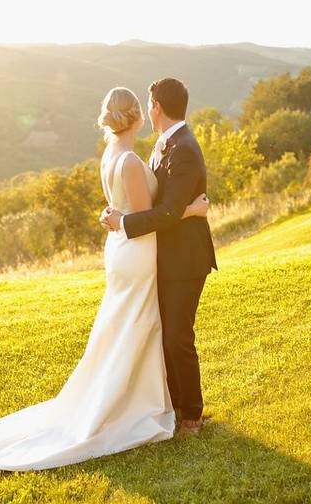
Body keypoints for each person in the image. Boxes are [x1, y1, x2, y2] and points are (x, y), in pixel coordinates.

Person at [0, 86, 209, 471]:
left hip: (130, 250)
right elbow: (155, 215)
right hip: (136, 250)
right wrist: (188, 210)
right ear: (139, 115)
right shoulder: (135, 159)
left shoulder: (117, 154)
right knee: (141, 327)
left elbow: (146, 211)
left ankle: (167, 405)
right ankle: (151, 406)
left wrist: (133, 217)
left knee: (138, 327)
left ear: (151, 110)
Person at [100, 77, 217, 435]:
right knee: (164, 333)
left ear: (157, 108)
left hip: (186, 259)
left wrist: (122, 221)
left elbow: (166, 212)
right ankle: (174, 405)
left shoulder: (183, 149)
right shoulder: (162, 145)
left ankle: (192, 415)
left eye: (151, 104)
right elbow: (161, 206)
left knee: (177, 336)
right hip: (163, 255)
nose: (149, 110)